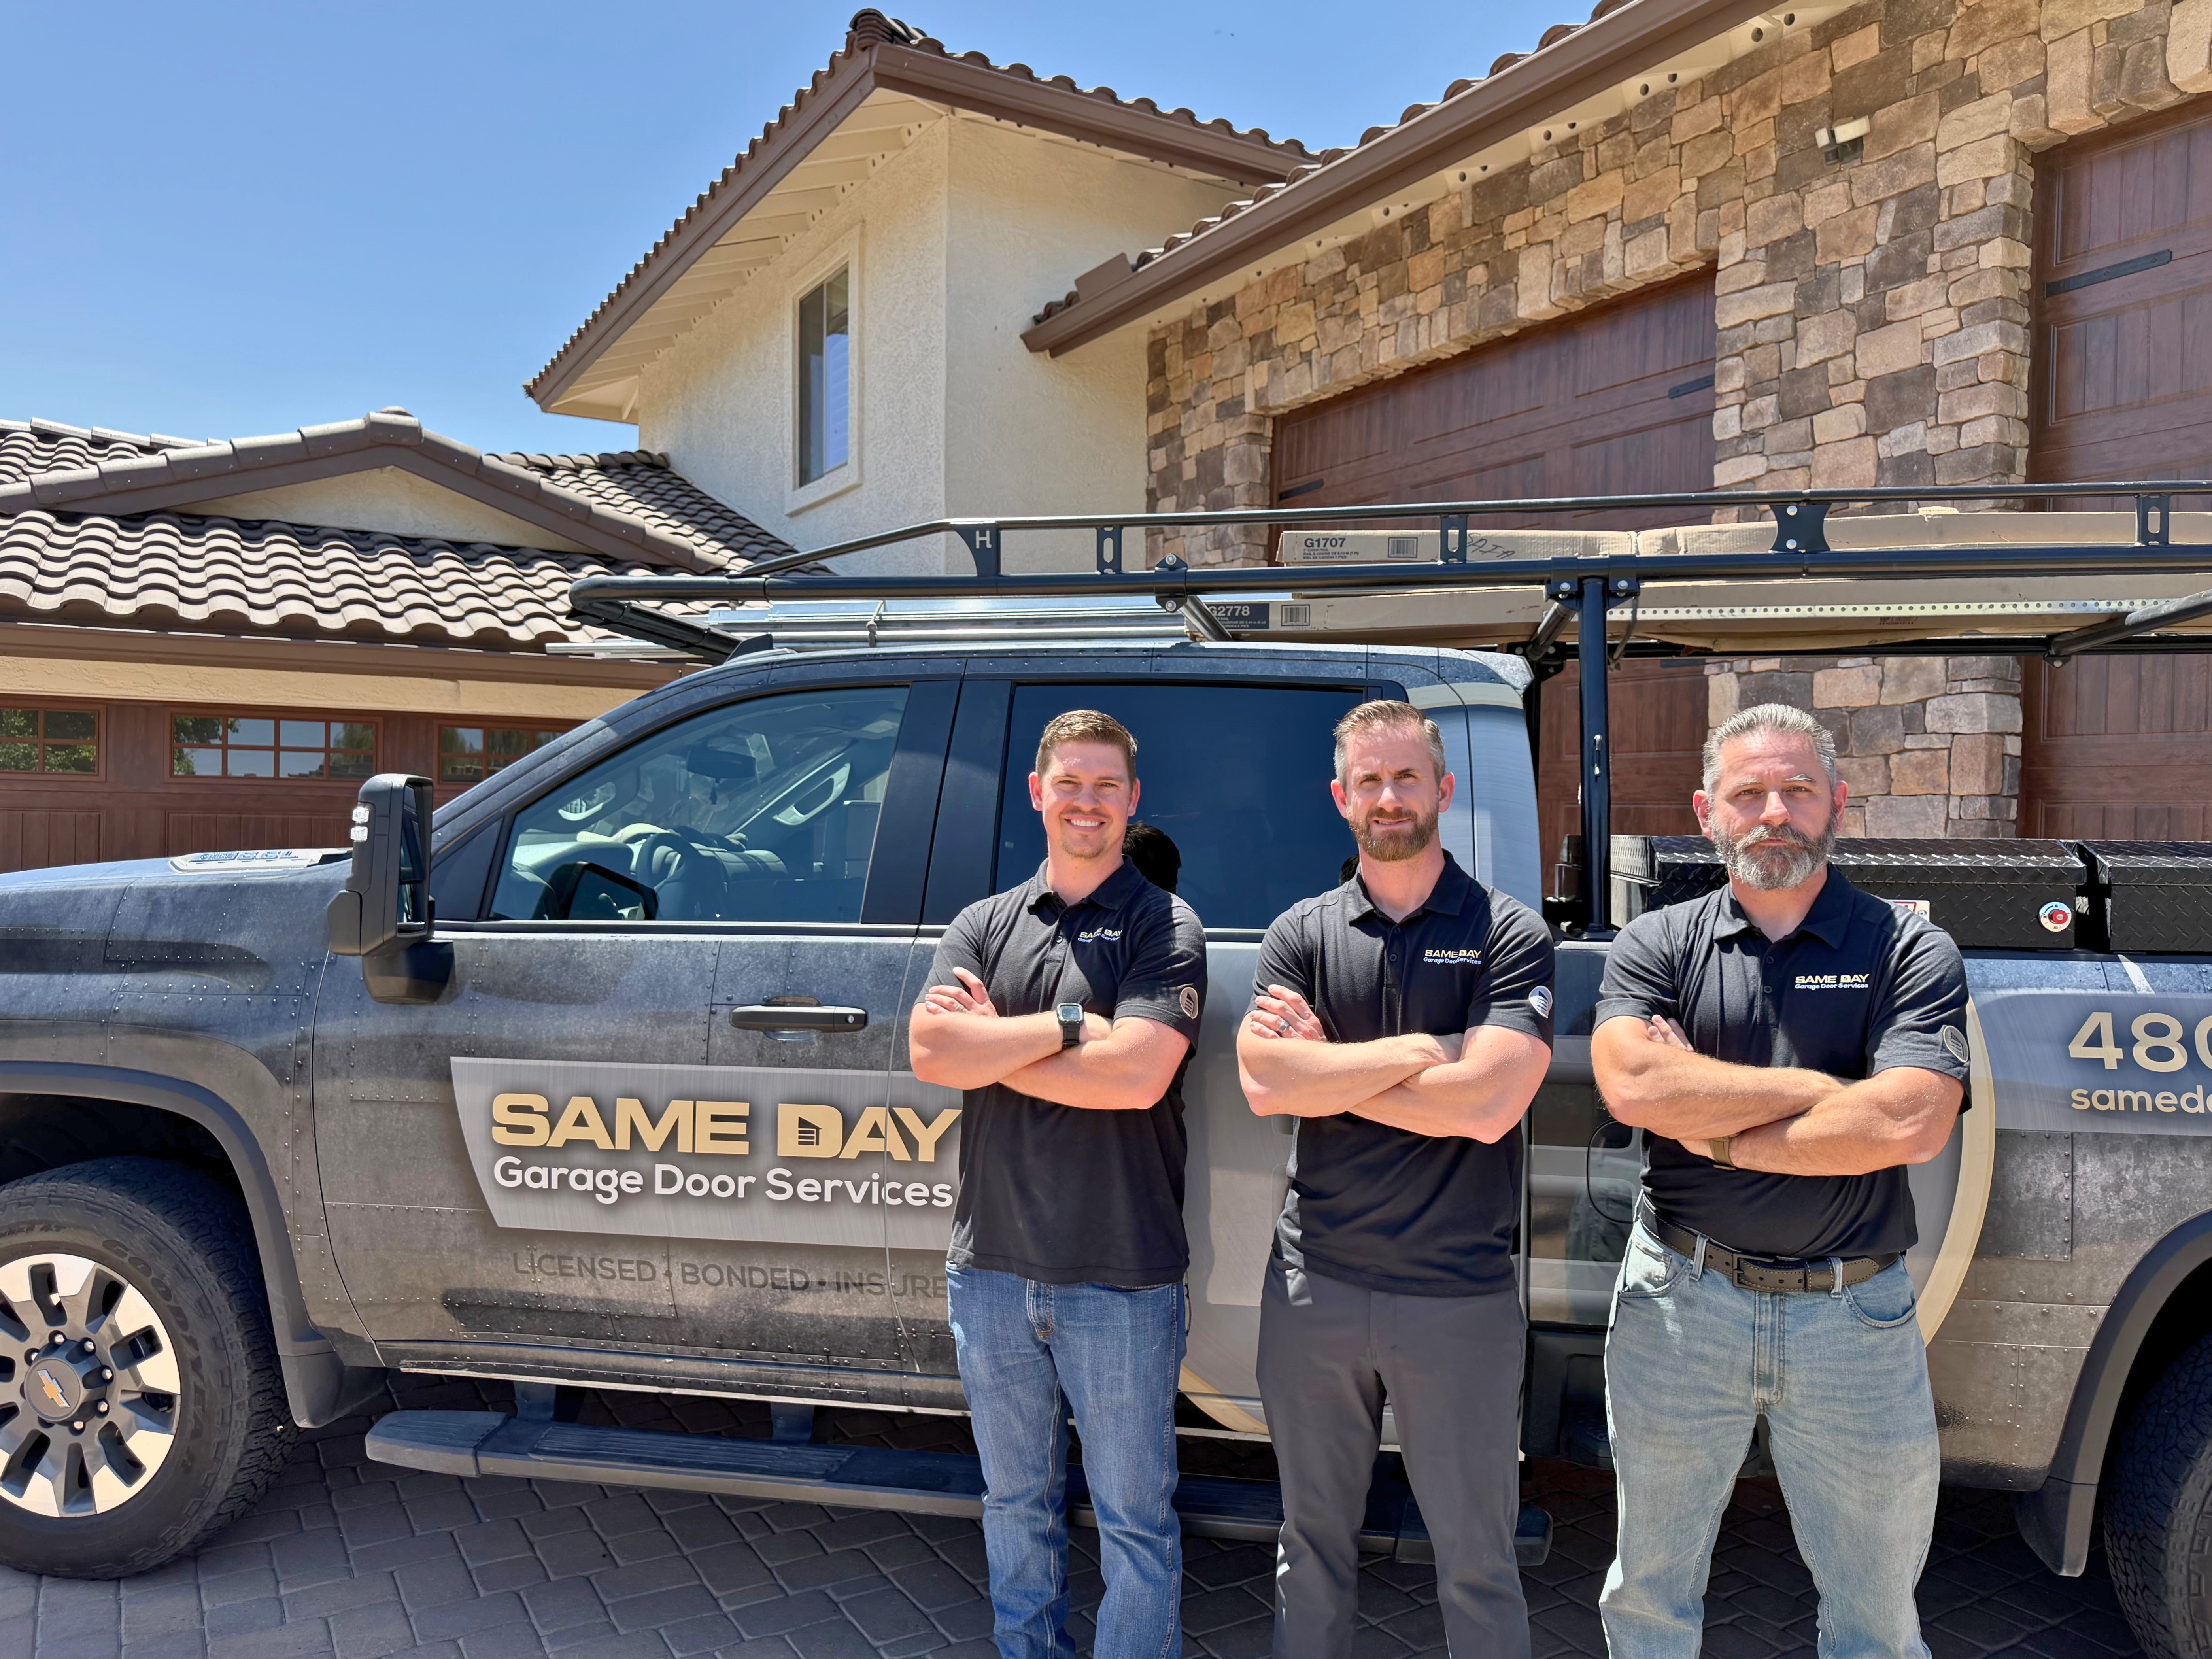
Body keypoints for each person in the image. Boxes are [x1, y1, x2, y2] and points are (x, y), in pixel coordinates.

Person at [1591, 702, 1970, 1659]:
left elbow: (1909, 1119)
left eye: (1795, 790)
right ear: (1705, 811)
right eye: (1747, 792)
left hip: (1854, 1318)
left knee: (1876, 1620)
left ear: (1835, 802)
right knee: (1647, 1598)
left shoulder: (1906, 948)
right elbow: (1633, 1081)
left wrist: (1714, 1129)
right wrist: (1821, 1094)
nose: (1773, 812)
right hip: (1679, 1301)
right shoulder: (1657, 945)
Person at [1236, 699, 1554, 1659]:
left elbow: (1488, 1106)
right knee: (1310, 1547)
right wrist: (1427, 1054)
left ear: (1442, 790)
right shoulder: (1299, 932)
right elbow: (1262, 1082)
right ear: (1341, 798)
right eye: (1368, 780)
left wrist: (1332, 1067)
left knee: (1476, 1560)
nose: (1387, 797)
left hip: (1455, 1296)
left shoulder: (1506, 930)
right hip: (1313, 1289)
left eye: (1406, 776)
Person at [909, 709, 1207, 1659]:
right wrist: (1075, 1027)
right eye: (1068, 784)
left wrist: (996, 1043)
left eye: (1105, 786)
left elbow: (1136, 1077)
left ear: (1131, 801)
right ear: (1037, 793)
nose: (1086, 802)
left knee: (1132, 1516)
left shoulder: (1165, 923)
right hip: (989, 1268)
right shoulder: (981, 923)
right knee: (1013, 1503)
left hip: (1120, 1275)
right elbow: (928, 1050)